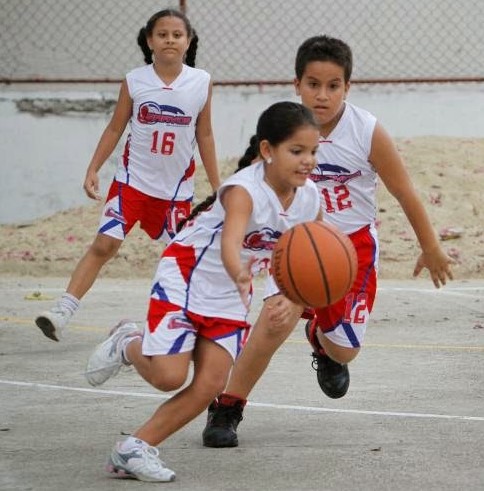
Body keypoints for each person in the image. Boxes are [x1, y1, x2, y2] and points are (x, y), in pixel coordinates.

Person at [202, 35, 455, 448]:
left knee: (345, 353)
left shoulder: (367, 132)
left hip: (350, 250)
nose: (322, 95)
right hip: (297, 242)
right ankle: (228, 406)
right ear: (297, 84)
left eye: (333, 85)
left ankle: (322, 340)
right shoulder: (282, 131)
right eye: (313, 84)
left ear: (347, 88)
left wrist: (430, 246)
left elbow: (404, 191)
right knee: (271, 323)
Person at [82, 101, 323, 481]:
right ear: (267, 151)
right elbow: (231, 243)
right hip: (186, 277)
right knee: (168, 377)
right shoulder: (243, 190)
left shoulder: (310, 199)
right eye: (297, 151)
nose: (307, 160)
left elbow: (306, 251)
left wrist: (290, 297)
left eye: (313, 151)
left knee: (211, 383)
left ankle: (134, 448)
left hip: (229, 294)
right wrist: (239, 273)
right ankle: (128, 342)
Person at [35, 8, 220, 342]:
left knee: (178, 258)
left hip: (175, 193)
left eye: (177, 35)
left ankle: (171, 322)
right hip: (131, 183)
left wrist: (219, 184)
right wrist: (93, 168)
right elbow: (115, 127)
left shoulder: (201, 82)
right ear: (150, 40)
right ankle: (62, 311)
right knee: (104, 245)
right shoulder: (135, 80)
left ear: (188, 41)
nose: (169, 40)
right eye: (162, 34)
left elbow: (204, 135)